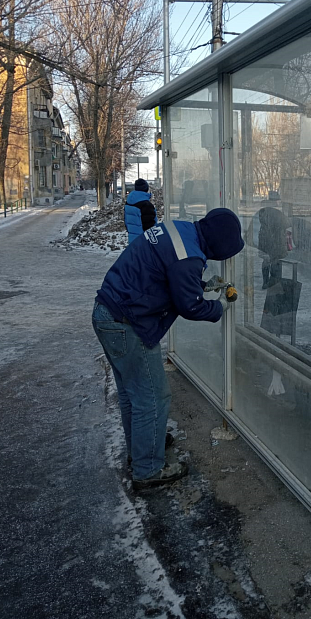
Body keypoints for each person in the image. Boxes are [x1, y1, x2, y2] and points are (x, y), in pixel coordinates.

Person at [92, 208, 244, 489]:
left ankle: (143, 446)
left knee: (132, 393)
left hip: (108, 313)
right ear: (220, 246)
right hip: (128, 324)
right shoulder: (188, 258)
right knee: (152, 397)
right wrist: (219, 306)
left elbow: (167, 273)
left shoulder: (180, 230)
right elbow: (190, 306)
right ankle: (148, 469)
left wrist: (200, 284)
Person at [124, 178, 158, 243]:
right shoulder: (146, 204)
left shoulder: (128, 202)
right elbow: (150, 227)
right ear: (146, 188)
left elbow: (126, 221)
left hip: (132, 239)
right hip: (143, 241)